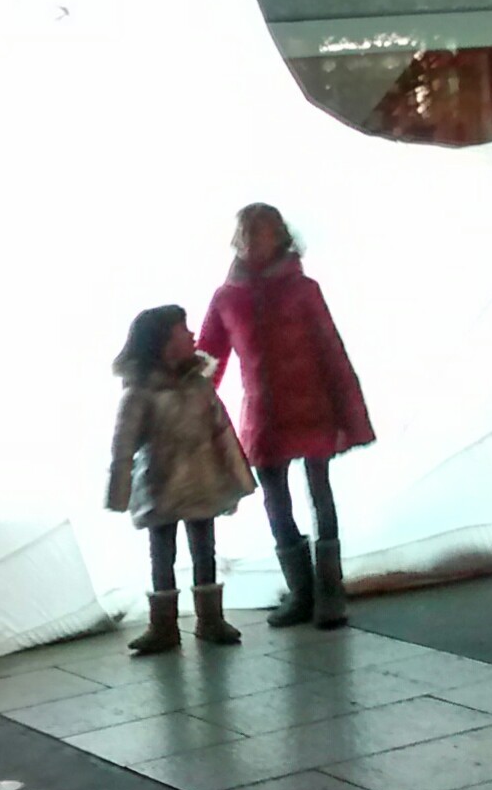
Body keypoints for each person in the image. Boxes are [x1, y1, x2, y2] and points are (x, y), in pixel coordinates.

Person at [200, 203, 375, 630]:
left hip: (313, 407)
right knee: (275, 501)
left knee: (321, 495)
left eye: (260, 232)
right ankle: (303, 591)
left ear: (280, 235)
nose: (251, 241)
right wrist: (185, 399)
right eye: (245, 233)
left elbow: (331, 351)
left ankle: (329, 593)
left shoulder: (304, 290)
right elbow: (209, 356)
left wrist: (351, 415)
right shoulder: (226, 298)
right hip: (264, 413)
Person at [105, 304, 256, 656]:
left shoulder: (199, 385)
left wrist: (238, 480)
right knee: (163, 555)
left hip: (203, 482)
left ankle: (210, 619)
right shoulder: (140, 393)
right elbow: (123, 446)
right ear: (163, 343)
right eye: (181, 331)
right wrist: (119, 492)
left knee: (205, 551)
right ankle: (164, 625)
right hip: (161, 487)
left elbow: (224, 434)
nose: (191, 336)